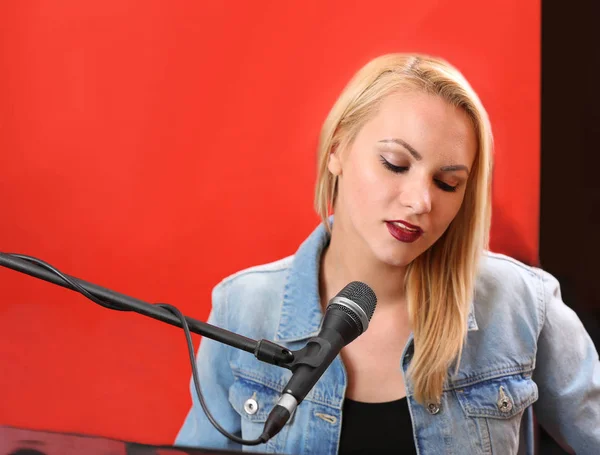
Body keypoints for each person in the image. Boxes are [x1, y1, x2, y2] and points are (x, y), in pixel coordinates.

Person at [174, 54, 600, 454]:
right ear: (338, 149)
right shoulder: (243, 307)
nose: (420, 201)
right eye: (396, 164)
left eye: (447, 184)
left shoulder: (523, 304)